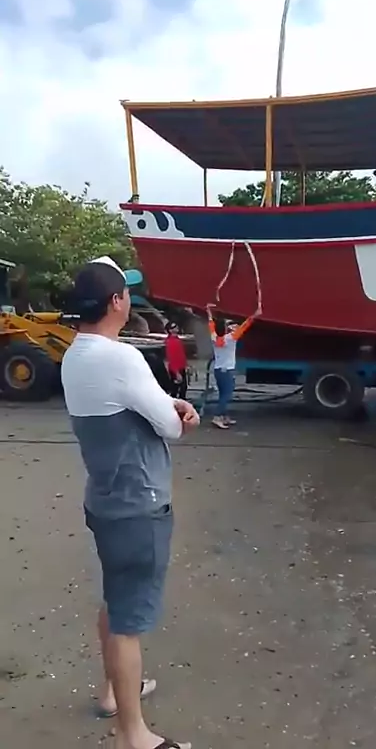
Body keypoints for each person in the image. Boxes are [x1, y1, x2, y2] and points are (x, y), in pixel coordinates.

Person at [61, 256, 199, 749]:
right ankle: (132, 735)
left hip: (105, 500)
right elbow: (170, 427)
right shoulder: (120, 358)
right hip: (138, 505)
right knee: (127, 620)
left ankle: (114, 692)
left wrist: (165, 408)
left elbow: (130, 406)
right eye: (126, 293)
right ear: (117, 301)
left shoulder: (75, 355)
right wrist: (181, 412)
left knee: (116, 597)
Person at [206, 303, 260, 429]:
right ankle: (217, 417)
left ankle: (224, 416)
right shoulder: (231, 338)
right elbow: (244, 326)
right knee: (226, 395)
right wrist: (255, 315)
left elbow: (211, 326)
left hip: (218, 370)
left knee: (222, 394)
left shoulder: (214, 338)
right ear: (227, 329)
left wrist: (208, 312)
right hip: (227, 371)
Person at [165, 321, 188, 400]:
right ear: (170, 330)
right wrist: (176, 372)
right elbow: (171, 358)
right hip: (175, 369)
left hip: (181, 367)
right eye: (174, 327)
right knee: (176, 389)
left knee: (183, 388)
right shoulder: (170, 342)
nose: (176, 328)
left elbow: (181, 355)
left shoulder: (177, 339)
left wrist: (186, 365)